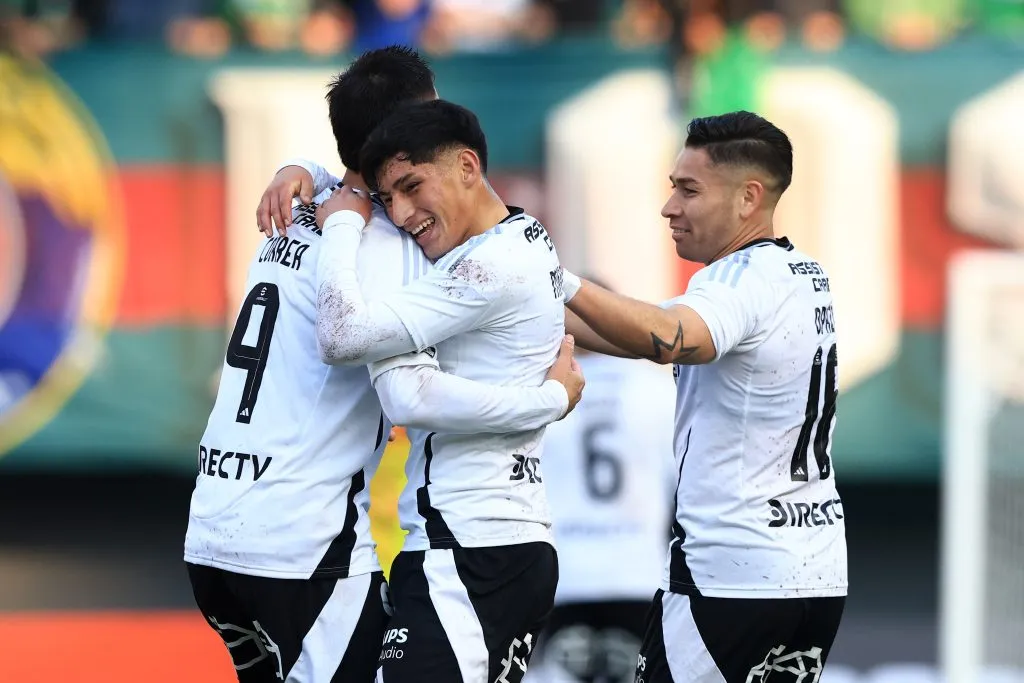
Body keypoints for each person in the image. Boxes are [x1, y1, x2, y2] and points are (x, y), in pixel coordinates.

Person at [184, 47, 583, 683]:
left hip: (211, 531)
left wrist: (305, 168)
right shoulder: (393, 241)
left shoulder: (297, 211)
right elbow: (404, 382)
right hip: (306, 542)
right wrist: (548, 401)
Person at [560, 111, 848, 683]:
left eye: (688, 189)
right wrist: (530, 310)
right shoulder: (801, 274)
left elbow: (671, 339)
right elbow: (652, 334)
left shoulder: (736, 279)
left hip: (731, 577)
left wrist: (551, 276)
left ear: (749, 197)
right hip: (813, 572)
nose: (670, 206)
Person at [301, 98, 570, 683]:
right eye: (386, 197)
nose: (399, 215)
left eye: (411, 186)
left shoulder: (485, 268)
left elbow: (356, 348)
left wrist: (344, 224)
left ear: (468, 167)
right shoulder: (521, 240)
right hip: (492, 543)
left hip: (470, 551)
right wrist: (305, 169)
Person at [525, 338, 676, 683]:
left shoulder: (545, 389)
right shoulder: (656, 389)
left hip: (566, 574)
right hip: (640, 572)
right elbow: (682, 484)